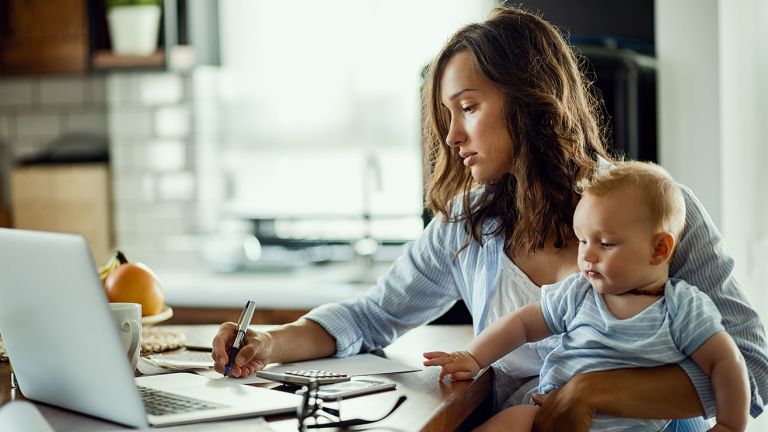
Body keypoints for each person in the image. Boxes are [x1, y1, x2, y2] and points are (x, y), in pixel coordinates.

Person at [212, 6, 768, 430]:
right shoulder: (467, 224)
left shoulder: (659, 212)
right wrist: (269, 341)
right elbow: (369, 317)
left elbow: (752, 370)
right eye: (446, 115)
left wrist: (594, 393)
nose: (452, 137)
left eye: (469, 108)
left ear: (530, 100)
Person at [423, 161, 750, 432]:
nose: (587, 256)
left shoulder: (681, 308)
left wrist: (729, 425)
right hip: (550, 417)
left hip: (635, 428)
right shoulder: (579, 293)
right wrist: (474, 357)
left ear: (660, 248)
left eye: (605, 243)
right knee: (514, 420)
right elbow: (522, 324)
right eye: (582, 241)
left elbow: (728, 362)